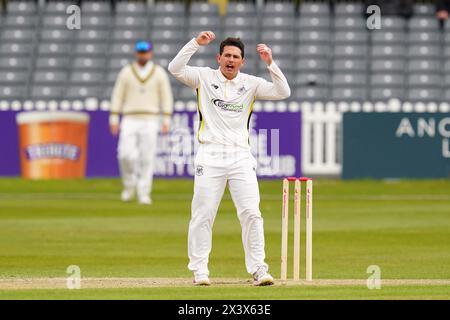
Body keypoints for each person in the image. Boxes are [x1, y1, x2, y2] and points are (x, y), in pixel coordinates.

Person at [168, 31, 291, 286]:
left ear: (242, 61)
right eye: (227, 55)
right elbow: (175, 68)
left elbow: (283, 91)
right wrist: (194, 43)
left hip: (240, 157)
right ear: (219, 57)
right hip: (210, 154)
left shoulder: (251, 83)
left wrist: (270, 62)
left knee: (251, 213)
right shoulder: (203, 77)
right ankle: (200, 270)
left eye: (236, 57)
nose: (231, 60)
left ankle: (258, 268)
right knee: (203, 214)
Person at [110, 40, 173, 204]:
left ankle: (144, 192)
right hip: (130, 117)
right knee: (125, 154)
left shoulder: (158, 72)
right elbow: (118, 95)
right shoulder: (126, 72)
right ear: (136, 53)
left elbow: (166, 96)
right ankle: (129, 185)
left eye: (145, 52)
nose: (142, 55)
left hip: (150, 118)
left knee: (147, 157)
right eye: (140, 52)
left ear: (150, 53)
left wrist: (166, 118)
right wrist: (114, 117)